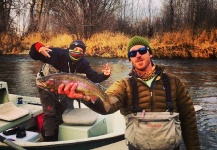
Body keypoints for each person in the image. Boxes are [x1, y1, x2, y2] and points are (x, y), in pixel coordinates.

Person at [58, 36, 200, 150]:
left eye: (142, 51)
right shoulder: (124, 85)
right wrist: (85, 98)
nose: (138, 55)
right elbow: (106, 105)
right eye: (132, 53)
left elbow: (189, 120)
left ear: (150, 53)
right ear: (130, 59)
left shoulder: (175, 82)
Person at [29, 40, 111, 141]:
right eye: (75, 49)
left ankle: (60, 131)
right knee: (49, 112)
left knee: (63, 109)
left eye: (80, 51)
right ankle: (48, 137)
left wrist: (105, 75)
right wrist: (38, 47)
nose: (77, 52)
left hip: (63, 86)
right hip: (45, 83)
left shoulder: (83, 63)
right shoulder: (57, 53)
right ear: (69, 49)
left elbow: (94, 77)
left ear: (83, 53)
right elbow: (33, 55)